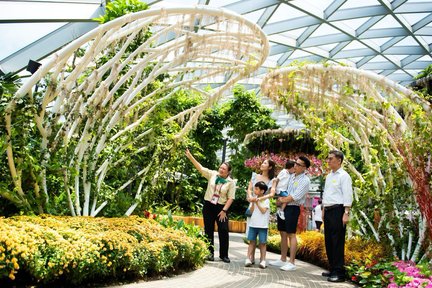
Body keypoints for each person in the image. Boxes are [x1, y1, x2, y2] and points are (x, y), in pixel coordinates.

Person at [185, 148, 236, 263]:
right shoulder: (213, 175)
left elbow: (231, 198)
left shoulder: (230, 182)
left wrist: (224, 211)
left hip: (221, 208)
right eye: (220, 167)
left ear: (228, 172)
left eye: (224, 168)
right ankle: (209, 253)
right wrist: (190, 156)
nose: (221, 169)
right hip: (208, 205)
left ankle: (224, 255)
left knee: (223, 230)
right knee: (208, 229)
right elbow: (200, 168)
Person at [269, 156, 311, 271]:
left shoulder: (305, 180)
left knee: (291, 234)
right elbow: (283, 189)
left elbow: (295, 197)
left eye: (298, 164)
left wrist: (281, 200)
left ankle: (291, 262)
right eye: (295, 163)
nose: (295, 166)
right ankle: (282, 259)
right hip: (283, 208)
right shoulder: (291, 176)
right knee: (282, 233)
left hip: (293, 208)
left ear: (305, 168)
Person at [321, 150, 353, 282]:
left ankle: (339, 273)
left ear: (339, 161)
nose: (328, 161)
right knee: (329, 240)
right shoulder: (329, 176)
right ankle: (333, 268)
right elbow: (327, 194)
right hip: (328, 210)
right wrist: (323, 209)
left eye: (330, 159)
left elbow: (347, 195)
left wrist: (346, 213)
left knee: (337, 241)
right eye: (327, 159)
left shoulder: (344, 176)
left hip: (338, 211)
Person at [246, 159, 276, 264]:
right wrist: (251, 198)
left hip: (262, 205)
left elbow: (272, 194)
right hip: (253, 205)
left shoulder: (272, 180)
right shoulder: (255, 176)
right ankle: (250, 258)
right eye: (262, 162)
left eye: (265, 163)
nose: (262, 164)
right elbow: (249, 189)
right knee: (252, 236)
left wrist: (259, 199)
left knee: (262, 239)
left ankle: (262, 259)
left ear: (270, 167)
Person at [245, 181, 271, 269]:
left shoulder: (266, 200)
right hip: (253, 224)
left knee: (262, 243)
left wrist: (256, 202)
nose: (254, 190)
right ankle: (248, 258)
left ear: (262, 191)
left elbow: (263, 211)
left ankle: (263, 260)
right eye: (254, 188)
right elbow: (251, 211)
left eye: (256, 189)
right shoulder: (254, 198)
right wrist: (252, 202)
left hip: (263, 226)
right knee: (251, 242)